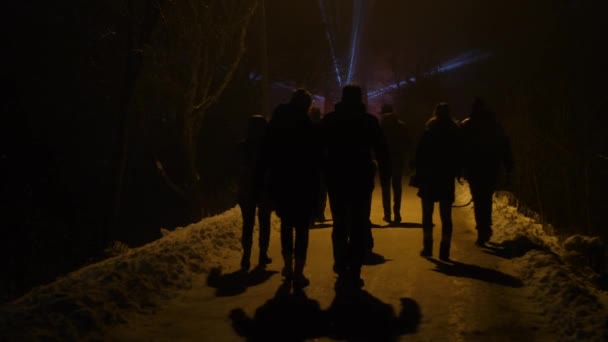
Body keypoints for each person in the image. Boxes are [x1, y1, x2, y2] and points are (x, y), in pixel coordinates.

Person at [321, 84, 389, 288]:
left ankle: (341, 263)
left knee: (340, 222)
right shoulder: (368, 121)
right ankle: (355, 266)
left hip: (337, 177)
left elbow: (318, 148)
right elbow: (381, 149)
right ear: (360, 99)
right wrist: (383, 171)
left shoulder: (330, 120)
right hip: (361, 178)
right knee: (359, 222)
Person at [258, 89, 320, 287]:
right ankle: (299, 271)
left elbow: (265, 152)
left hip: (281, 180)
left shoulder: (277, 122)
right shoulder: (307, 125)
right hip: (302, 183)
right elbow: (315, 157)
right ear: (307, 105)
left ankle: (287, 265)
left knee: (286, 224)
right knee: (302, 228)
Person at [461, 98, 513, 246]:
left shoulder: (467, 125)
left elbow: (460, 148)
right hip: (491, 167)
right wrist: (508, 166)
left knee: (478, 199)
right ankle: (486, 227)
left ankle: (482, 230)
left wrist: (460, 168)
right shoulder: (495, 126)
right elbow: (505, 146)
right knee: (486, 198)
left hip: (473, 168)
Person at [414, 102, 461, 260]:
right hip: (446, 177)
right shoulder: (454, 132)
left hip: (429, 177)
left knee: (427, 214)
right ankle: (444, 249)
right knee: (446, 216)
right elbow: (459, 155)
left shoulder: (429, 131)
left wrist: (417, 169)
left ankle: (427, 246)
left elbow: (419, 153)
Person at [237, 115, 272, 272]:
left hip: (247, 189)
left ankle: (246, 256)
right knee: (264, 223)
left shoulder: (242, 147)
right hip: (264, 189)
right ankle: (262, 254)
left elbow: (237, 169)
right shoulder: (268, 148)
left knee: (248, 224)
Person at [379, 104, 411, 223]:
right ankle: (397, 213)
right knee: (397, 187)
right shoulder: (401, 125)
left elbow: (377, 143)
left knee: (385, 187)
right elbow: (407, 142)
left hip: (384, 159)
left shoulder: (381, 126)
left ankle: (387, 214)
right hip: (398, 158)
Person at [309, 106, 328, 223]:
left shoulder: (306, 127)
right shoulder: (323, 127)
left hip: (311, 162)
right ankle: (320, 213)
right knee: (321, 189)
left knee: (312, 189)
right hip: (322, 161)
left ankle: (312, 214)